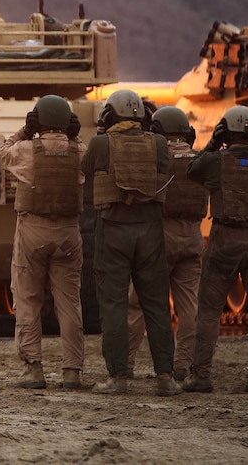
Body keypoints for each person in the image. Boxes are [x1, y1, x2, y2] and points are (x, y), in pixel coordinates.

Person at [82, 88, 181, 396]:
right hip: (150, 232)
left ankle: (118, 377)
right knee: (156, 305)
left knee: (113, 305)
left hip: (113, 230)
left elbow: (86, 169)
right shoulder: (159, 144)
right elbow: (164, 167)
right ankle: (165, 376)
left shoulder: (101, 144)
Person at [183, 105, 248, 393]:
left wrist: (213, 144)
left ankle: (201, 375)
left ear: (223, 132)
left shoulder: (215, 162)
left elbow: (192, 170)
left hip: (223, 240)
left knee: (208, 310)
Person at [0, 95, 86, 390]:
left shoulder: (26, 150)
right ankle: (72, 371)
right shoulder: (79, 151)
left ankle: (34, 369)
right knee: (70, 303)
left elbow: (2, 153)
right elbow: (91, 159)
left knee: (27, 299)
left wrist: (25, 130)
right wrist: (74, 136)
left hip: (33, 230)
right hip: (69, 232)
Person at [125, 105, 207, 381]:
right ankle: (182, 365)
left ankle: (126, 364)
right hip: (194, 236)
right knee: (188, 308)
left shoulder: (155, 157)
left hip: (161, 235)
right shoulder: (200, 160)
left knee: (138, 303)